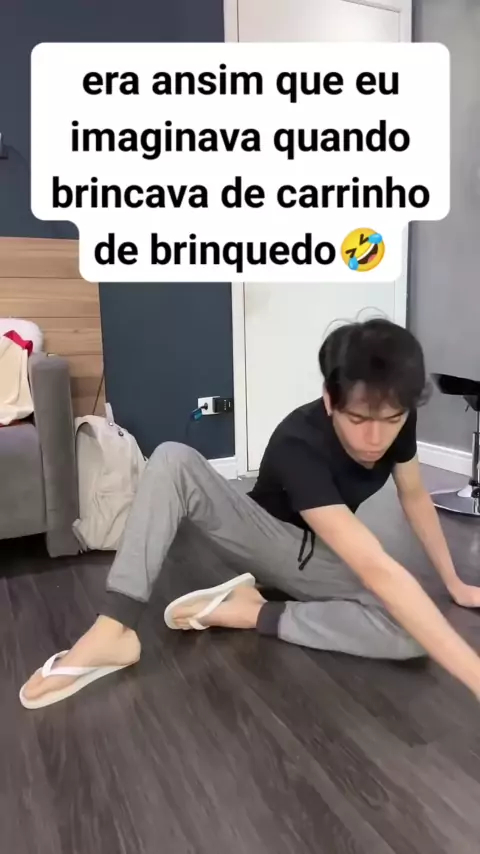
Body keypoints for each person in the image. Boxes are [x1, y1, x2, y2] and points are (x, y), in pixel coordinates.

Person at [20, 318, 480, 709]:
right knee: (173, 458)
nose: (376, 438)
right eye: (358, 420)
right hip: (270, 540)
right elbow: (375, 567)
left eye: (391, 420)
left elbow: (414, 495)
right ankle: (113, 629)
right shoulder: (301, 442)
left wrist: (454, 583)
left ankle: (253, 611)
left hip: (324, 551)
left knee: (413, 632)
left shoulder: (393, 411)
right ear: (330, 400)